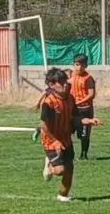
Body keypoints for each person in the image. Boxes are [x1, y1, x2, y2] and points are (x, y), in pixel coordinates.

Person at [39, 67, 102, 202]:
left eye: (65, 82)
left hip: (66, 138)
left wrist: (89, 120)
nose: (65, 85)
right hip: (51, 141)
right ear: (51, 85)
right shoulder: (49, 103)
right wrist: (55, 141)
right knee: (60, 170)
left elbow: (76, 117)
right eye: (60, 83)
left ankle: (63, 195)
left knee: (69, 168)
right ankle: (49, 164)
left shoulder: (70, 98)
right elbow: (43, 125)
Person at [69, 54, 96, 160]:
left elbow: (91, 94)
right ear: (73, 64)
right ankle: (68, 153)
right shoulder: (70, 76)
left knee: (84, 134)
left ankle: (84, 154)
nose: (79, 67)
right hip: (72, 109)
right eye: (77, 64)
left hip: (85, 109)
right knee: (67, 131)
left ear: (86, 66)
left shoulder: (88, 78)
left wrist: (79, 101)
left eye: (82, 65)